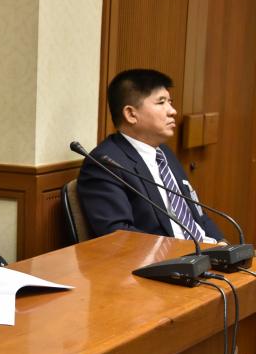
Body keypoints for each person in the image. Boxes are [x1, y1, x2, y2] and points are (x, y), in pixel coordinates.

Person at [77, 69, 223, 242]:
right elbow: (119, 236)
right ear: (131, 114)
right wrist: (187, 252)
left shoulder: (164, 153)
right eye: (161, 102)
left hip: (205, 250)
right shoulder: (105, 164)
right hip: (168, 255)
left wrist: (222, 245)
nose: (173, 111)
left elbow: (197, 214)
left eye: (170, 102)